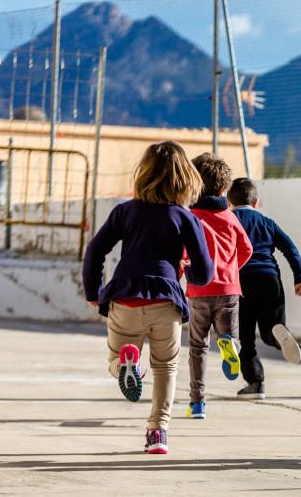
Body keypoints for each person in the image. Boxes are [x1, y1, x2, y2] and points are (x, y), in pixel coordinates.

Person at [82, 141, 213, 455]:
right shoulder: (185, 217)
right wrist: (190, 273)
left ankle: (130, 367)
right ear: (185, 178)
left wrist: (93, 292)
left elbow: (95, 251)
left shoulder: (124, 211)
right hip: (166, 302)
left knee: (115, 360)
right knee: (166, 367)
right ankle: (158, 431)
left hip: (125, 296)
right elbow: (205, 271)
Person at [185, 154, 253, 419]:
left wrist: (186, 270)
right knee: (230, 333)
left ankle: (198, 402)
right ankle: (231, 346)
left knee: (198, 346)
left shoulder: (192, 217)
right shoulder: (230, 217)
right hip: (228, 289)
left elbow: (182, 252)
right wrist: (232, 269)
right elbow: (246, 248)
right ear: (224, 188)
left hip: (199, 290)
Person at [228, 177, 301, 400]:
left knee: (245, 336)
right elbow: (290, 248)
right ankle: (281, 335)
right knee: (271, 327)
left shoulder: (229, 220)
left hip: (240, 282)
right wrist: (300, 277)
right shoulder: (267, 222)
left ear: (229, 201)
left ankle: (255, 382)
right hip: (269, 279)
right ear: (256, 202)